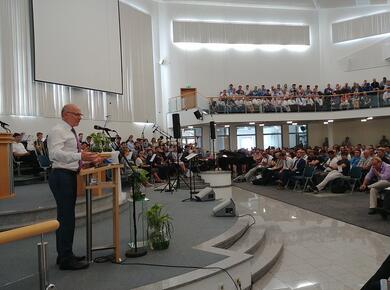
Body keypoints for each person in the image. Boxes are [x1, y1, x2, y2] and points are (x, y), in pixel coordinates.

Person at [48, 104, 103, 270]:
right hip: (61, 176)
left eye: (80, 114)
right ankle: (65, 258)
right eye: (77, 114)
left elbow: (70, 157)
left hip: (69, 174)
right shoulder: (58, 130)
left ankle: (64, 254)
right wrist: (80, 155)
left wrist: (88, 160)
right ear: (66, 114)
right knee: (66, 218)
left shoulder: (69, 131)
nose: (80, 117)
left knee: (66, 217)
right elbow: (54, 154)